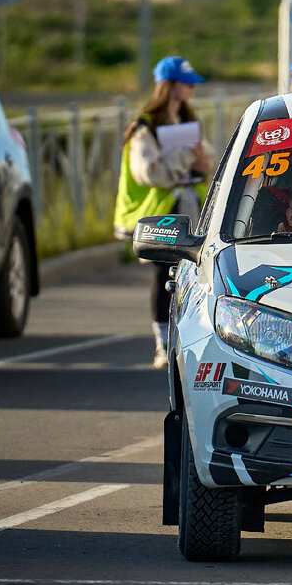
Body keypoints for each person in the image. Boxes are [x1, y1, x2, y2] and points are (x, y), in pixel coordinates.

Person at [114, 56, 213, 369]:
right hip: (159, 213)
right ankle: (164, 345)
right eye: (187, 83)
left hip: (189, 208)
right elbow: (149, 174)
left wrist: (201, 162)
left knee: (193, 276)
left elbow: (206, 159)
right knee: (163, 273)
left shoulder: (185, 123)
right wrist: (186, 158)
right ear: (170, 86)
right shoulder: (144, 128)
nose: (192, 89)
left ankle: (189, 342)